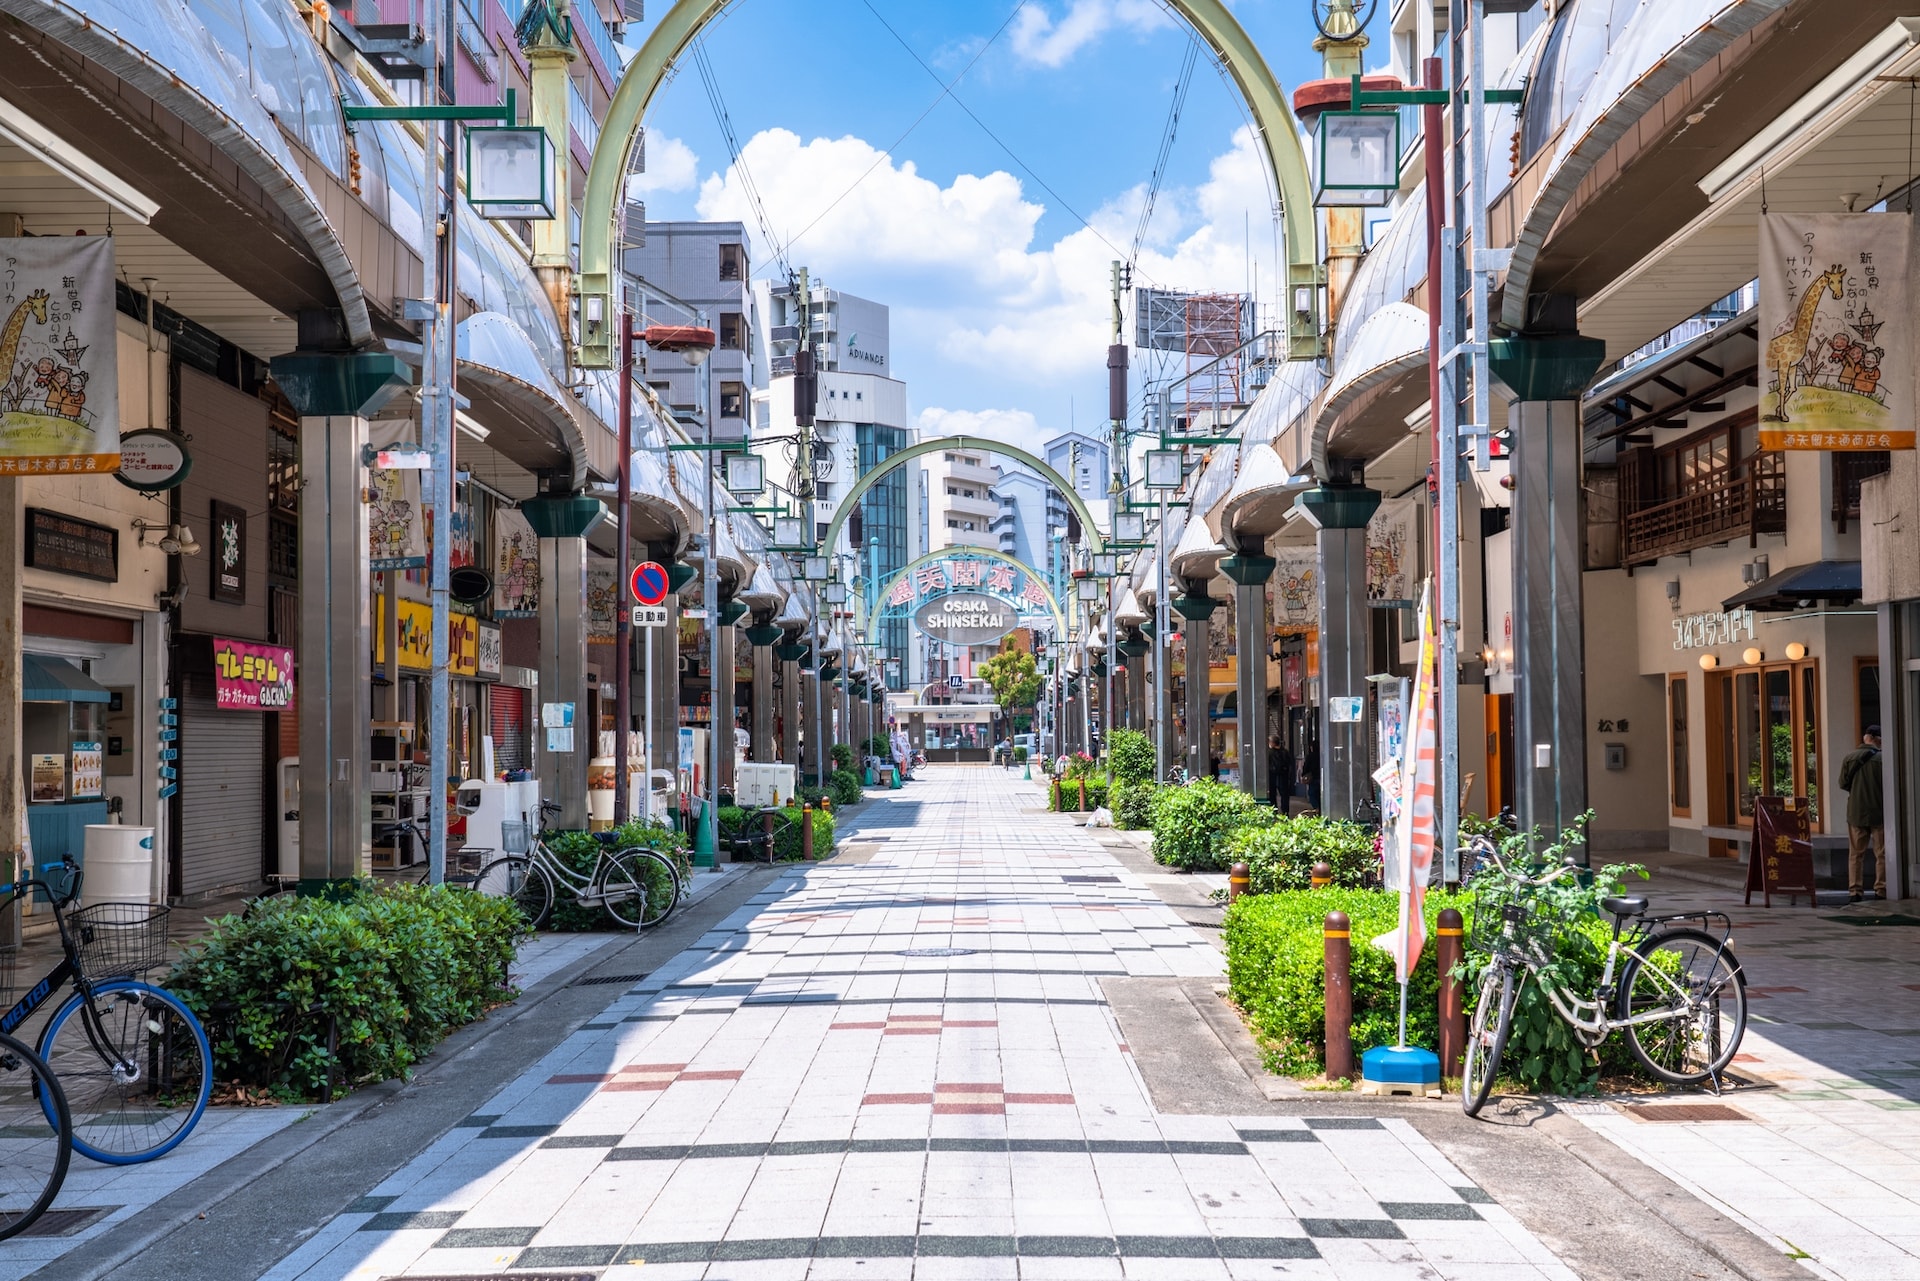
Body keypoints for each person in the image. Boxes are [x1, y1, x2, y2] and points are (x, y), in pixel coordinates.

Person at [1840, 725, 1886, 902]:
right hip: (1879, 812)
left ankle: (1855, 891)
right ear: (1877, 739)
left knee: (1856, 855)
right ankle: (1880, 889)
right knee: (1881, 853)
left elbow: (1843, 784)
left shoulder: (1850, 758)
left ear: (1865, 737)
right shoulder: (1883, 759)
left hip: (1856, 813)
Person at [1267, 737, 1294, 813]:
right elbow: (1289, 764)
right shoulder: (1285, 752)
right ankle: (1285, 812)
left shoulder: (1269, 752)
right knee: (1284, 795)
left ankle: (1274, 810)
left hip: (1273, 776)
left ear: (1272, 743)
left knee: (1272, 795)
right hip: (1284, 776)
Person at [1302, 739, 1321, 813]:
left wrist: (1304, 774)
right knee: (1319, 794)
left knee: (1312, 794)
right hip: (1320, 777)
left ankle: (1316, 808)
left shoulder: (1310, 756)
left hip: (1313, 778)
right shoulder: (1322, 755)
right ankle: (1320, 807)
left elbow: (1306, 766)